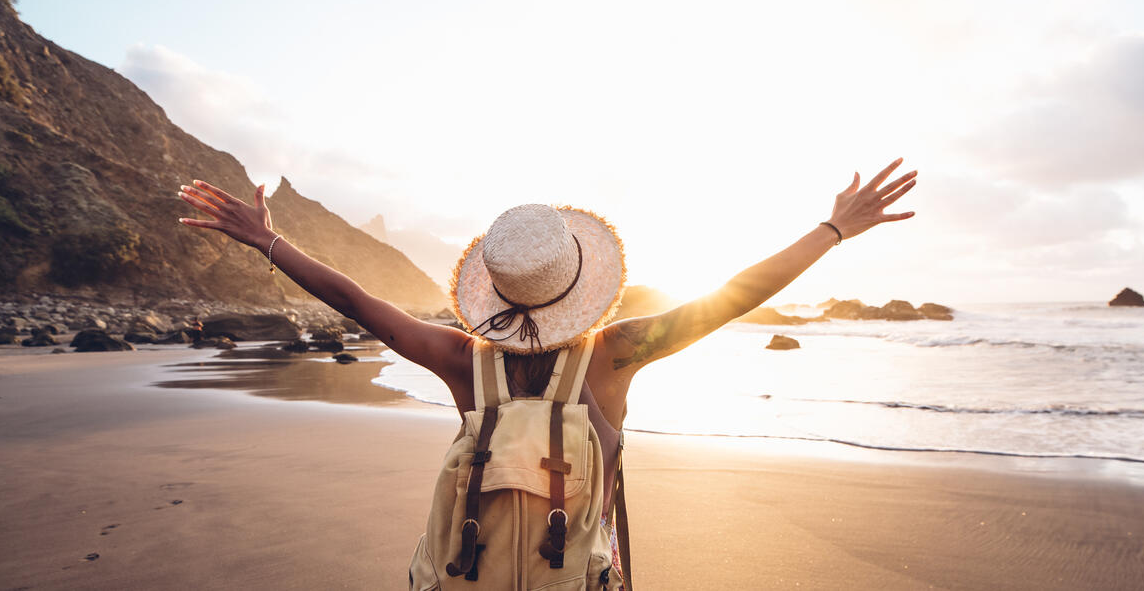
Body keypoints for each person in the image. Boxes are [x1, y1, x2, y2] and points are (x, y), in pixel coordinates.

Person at [177, 158, 916, 588]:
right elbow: (733, 296)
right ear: (583, 281)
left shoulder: (463, 359)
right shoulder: (617, 353)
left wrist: (269, 241)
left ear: (495, 293)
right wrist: (834, 230)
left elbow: (357, 301)